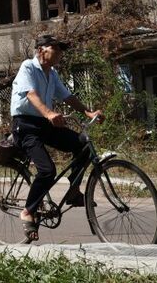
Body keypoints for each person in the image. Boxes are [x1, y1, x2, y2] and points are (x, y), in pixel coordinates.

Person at [10, 33, 104, 240]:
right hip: (25, 125)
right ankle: (28, 211)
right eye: (57, 48)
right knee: (47, 170)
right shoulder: (28, 67)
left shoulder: (51, 73)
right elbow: (30, 94)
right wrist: (49, 113)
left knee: (83, 145)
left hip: (44, 123)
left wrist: (88, 112)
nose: (60, 53)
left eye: (62, 49)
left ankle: (73, 190)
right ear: (42, 50)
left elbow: (67, 96)